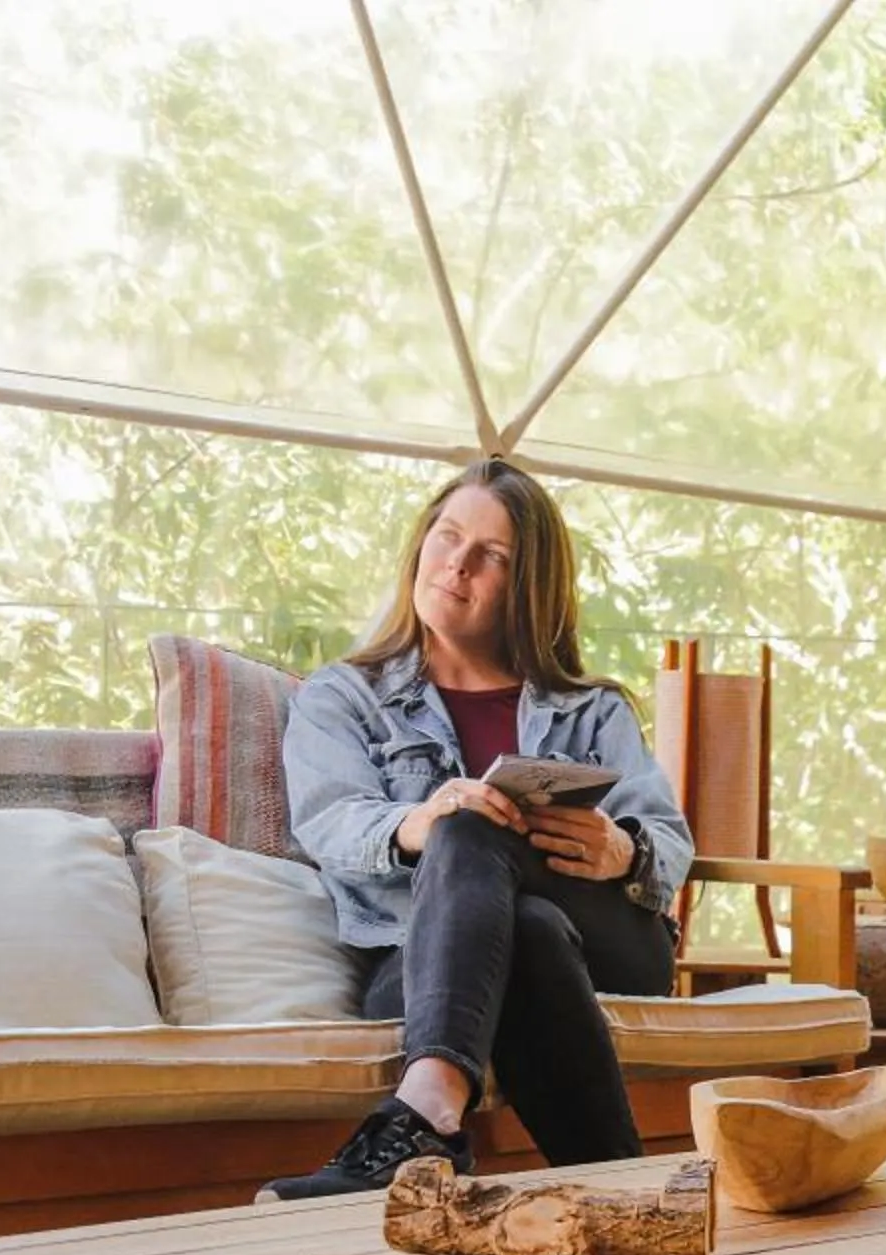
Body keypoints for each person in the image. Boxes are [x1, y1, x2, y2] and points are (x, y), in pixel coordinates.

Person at [263, 459, 689, 1201]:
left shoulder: (591, 709)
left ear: (528, 585)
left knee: (473, 832)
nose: (457, 564)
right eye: (448, 536)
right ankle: (628, 1196)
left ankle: (425, 1115)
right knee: (517, 915)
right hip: (420, 957)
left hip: (608, 940)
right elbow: (330, 821)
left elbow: (669, 837)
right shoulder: (345, 696)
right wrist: (418, 821)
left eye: (491, 555)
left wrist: (622, 850)